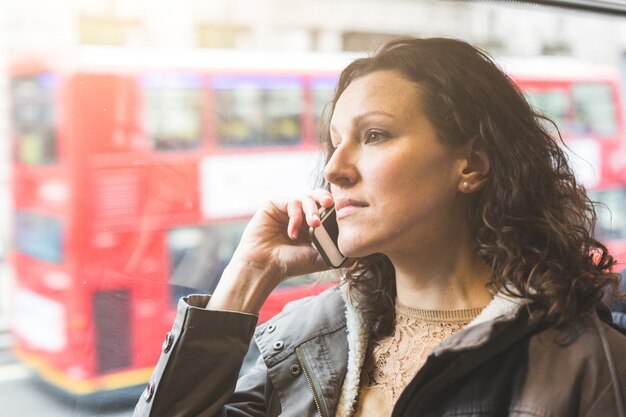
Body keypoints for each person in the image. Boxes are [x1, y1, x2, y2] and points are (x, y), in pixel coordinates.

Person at [133, 37, 626, 417]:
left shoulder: (587, 363)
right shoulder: (307, 341)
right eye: (334, 142)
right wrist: (246, 277)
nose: (334, 169)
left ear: (471, 165)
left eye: (374, 135)